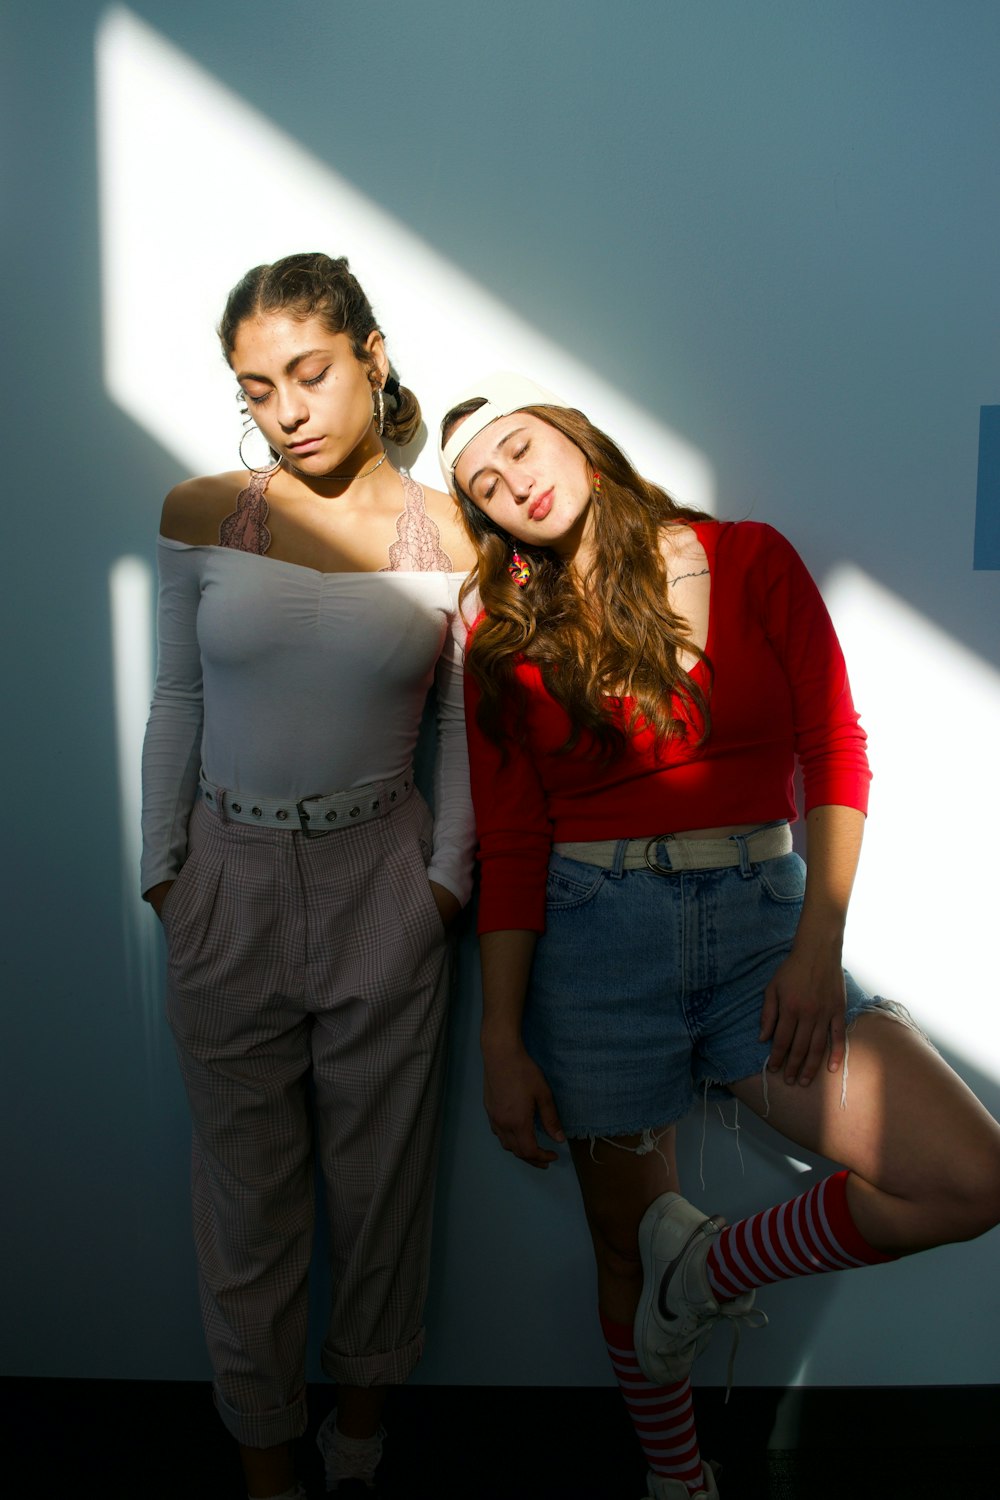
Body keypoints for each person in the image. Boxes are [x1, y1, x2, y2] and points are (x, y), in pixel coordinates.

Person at [438, 372, 1000, 1500]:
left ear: (577, 440)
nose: (513, 482)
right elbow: (509, 836)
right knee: (615, 1246)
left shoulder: (748, 558)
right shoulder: (498, 637)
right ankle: (675, 1479)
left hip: (760, 934)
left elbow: (834, 750)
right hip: (592, 950)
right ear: (487, 522)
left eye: (519, 447)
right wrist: (500, 1038)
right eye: (483, 487)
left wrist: (816, 947)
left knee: (967, 1178)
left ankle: (707, 1266)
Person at [140, 252, 476, 1500]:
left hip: (379, 881)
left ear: (370, 357)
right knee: (246, 1199)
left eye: (310, 372)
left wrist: (442, 887)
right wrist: (165, 871)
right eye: (256, 384)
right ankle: (268, 1463)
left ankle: (360, 1441)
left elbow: (459, 730)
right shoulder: (198, 510)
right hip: (223, 876)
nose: (285, 407)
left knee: (382, 1185)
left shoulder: (442, 528)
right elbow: (176, 696)